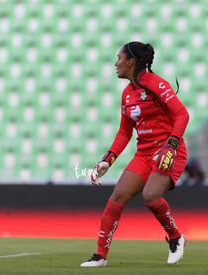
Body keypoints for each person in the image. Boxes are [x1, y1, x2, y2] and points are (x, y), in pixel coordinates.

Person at [80, 41, 190, 267]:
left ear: (131, 62)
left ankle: (176, 238)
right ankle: (100, 256)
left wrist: (170, 145)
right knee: (117, 197)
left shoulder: (156, 84)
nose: (115, 63)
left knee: (150, 196)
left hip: (168, 151)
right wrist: (107, 160)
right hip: (144, 153)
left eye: (119, 59)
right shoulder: (127, 95)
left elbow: (182, 115)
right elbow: (124, 132)